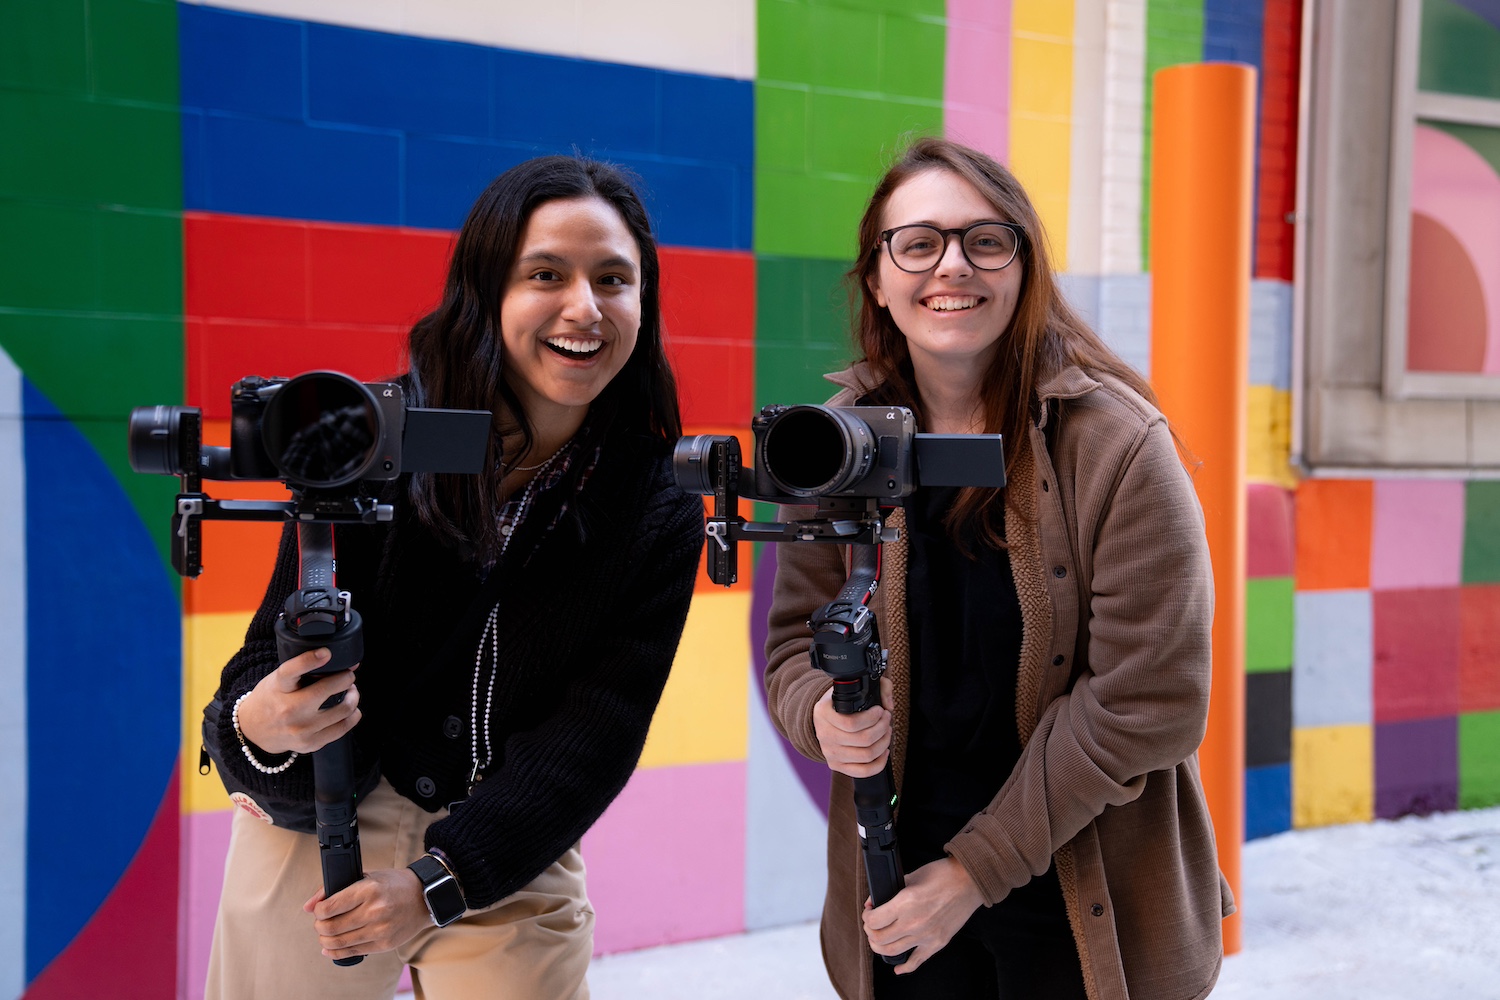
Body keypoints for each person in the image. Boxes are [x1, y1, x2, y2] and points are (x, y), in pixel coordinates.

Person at [204, 156, 704, 1000]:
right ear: (487, 289)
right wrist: (260, 726)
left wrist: (443, 880)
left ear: (642, 304)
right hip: (329, 796)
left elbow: (595, 735)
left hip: (499, 831)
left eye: (614, 279)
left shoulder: (657, 503)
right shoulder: (369, 436)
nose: (585, 307)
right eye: (546, 273)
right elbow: (263, 664)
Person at [764, 137, 1235, 1000]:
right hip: (900, 894)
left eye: (986, 240)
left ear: (1024, 266)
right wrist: (822, 714)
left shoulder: (1120, 445)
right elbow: (793, 644)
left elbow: (1151, 699)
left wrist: (975, 874)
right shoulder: (829, 445)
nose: (952, 265)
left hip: (1079, 893)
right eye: (919, 243)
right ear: (878, 276)